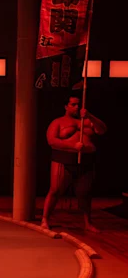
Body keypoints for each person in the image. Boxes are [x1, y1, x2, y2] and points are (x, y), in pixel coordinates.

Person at [41, 94, 107, 232]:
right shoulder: (58, 122)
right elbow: (51, 141)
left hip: (86, 161)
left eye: (78, 104)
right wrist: (72, 146)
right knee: (55, 190)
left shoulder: (87, 122)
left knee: (85, 193)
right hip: (63, 159)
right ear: (66, 106)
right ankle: (45, 219)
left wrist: (89, 115)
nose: (77, 107)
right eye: (73, 104)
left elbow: (102, 130)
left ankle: (88, 222)